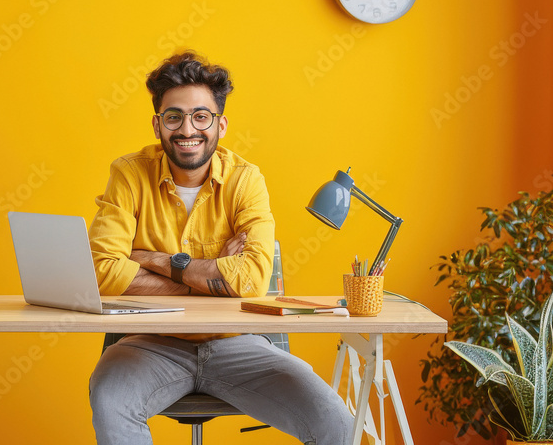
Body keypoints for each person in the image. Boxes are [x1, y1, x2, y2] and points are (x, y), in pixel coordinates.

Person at [87, 51, 353, 445]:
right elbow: (100, 273)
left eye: (201, 116)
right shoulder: (128, 173)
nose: (187, 128)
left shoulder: (246, 180)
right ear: (158, 125)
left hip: (239, 344)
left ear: (220, 124)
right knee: (110, 401)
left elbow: (252, 280)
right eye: (174, 116)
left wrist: (156, 261)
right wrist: (211, 274)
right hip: (150, 345)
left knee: (336, 422)